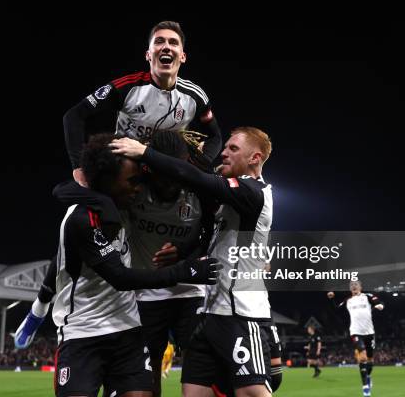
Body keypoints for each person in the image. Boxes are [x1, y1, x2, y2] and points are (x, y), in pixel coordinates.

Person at [16, 133, 220, 396]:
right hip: (83, 332)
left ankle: (40, 306)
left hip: (128, 328)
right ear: (107, 181)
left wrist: (184, 250)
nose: (138, 188)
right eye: (132, 182)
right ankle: (39, 307)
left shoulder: (128, 198)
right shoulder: (83, 217)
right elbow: (120, 277)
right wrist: (187, 270)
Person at [111, 126, 274, 397]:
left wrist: (145, 152)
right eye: (225, 147)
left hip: (239, 313)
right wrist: (182, 249)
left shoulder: (255, 193)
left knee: (252, 392)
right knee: (194, 393)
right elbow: (209, 239)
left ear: (254, 158)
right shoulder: (229, 202)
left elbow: (197, 178)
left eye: (233, 149)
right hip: (209, 312)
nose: (223, 153)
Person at [64, 21, 222, 186]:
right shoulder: (126, 87)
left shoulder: (195, 96)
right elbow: (74, 115)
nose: (166, 47)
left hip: (167, 175)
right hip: (127, 173)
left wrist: (201, 162)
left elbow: (215, 136)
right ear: (148, 54)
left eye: (173, 42)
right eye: (159, 41)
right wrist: (78, 167)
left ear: (182, 56)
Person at [127, 130, 212, 397]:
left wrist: (184, 252)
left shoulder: (201, 190)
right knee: (147, 373)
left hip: (191, 291)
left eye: (173, 172)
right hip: (146, 294)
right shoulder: (133, 189)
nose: (168, 182)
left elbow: (210, 236)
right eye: (161, 174)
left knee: (200, 363)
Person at [328, 281, 384, 397]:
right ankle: (365, 387)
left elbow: (378, 302)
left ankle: (368, 376)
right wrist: (331, 299)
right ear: (350, 289)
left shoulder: (367, 296)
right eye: (352, 286)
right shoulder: (348, 300)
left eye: (356, 285)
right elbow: (336, 309)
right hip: (355, 332)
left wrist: (379, 306)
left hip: (369, 332)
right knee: (362, 357)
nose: (354, 286)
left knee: (370, 360)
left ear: (360, 287)